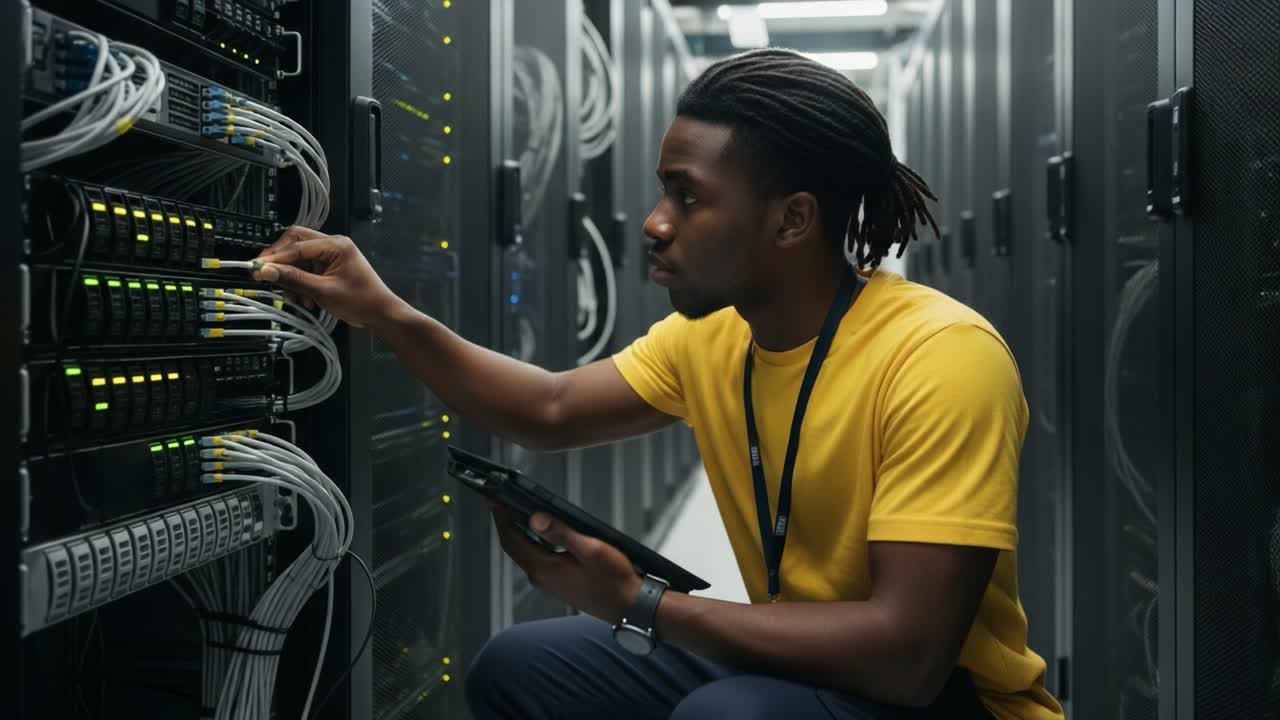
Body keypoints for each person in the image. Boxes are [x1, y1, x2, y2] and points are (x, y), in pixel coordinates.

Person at [253, 48, 1063, 720]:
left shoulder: (939, 357)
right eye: (662, 188)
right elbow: (549, 408)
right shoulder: (715, 336)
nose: (653, 221)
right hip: (811, 655)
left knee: (728, 714)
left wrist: (642, 604)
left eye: (688, 195)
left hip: (948, 699)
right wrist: (384, 312)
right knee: (520, 667)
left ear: (792, 220)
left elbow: (910, 659)